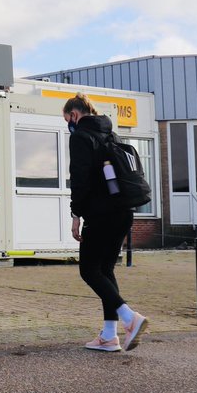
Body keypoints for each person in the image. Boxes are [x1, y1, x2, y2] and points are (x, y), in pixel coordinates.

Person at [64, 93, 149, 353]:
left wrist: (76, 214)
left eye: (67, 119)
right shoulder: (112, 135)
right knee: (106, 269)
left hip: (100, 213)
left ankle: (129, 318)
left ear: (75, 115)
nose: (68, 124)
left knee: (89, 270)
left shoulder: (80, 137)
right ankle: (109, 336)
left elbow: (79, 179)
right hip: (124, 211)